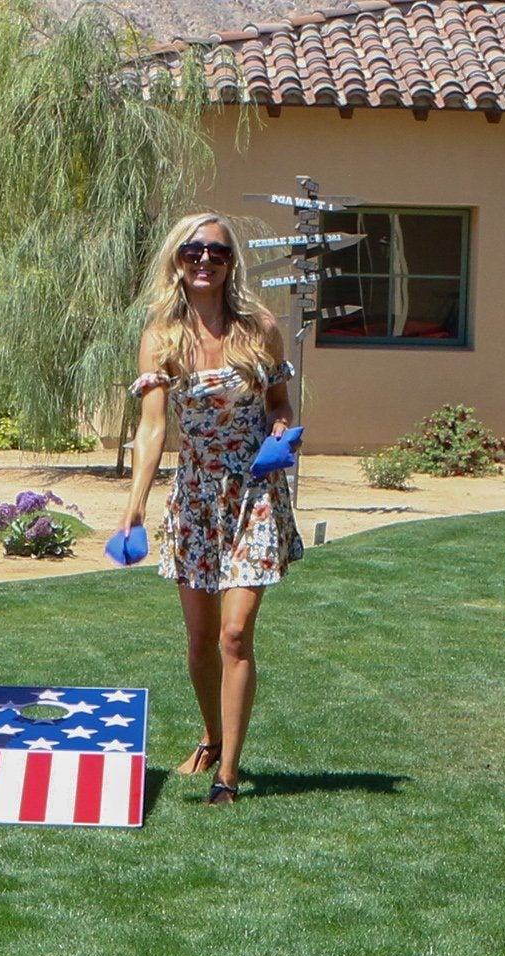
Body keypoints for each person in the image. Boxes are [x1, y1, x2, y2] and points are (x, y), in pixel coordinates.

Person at [115, 214, 302, 804]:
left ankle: (228, 775)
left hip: (253, 493)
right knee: (199, 640)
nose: (205, 260)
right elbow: (152, 428)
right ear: (177, 259)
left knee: (235, 634)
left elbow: (280, 403)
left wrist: (281, 435)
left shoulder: (261, 329)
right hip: (195, 495)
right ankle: (214, 736)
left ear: (231, 262)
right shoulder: (161, 337)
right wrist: (136, 502)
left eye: (217, 252)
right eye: (193, 251)